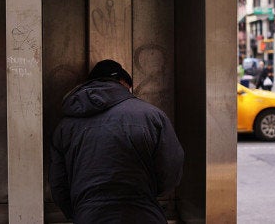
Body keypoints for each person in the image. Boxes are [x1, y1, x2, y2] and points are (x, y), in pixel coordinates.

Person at [49, 59, 184, 223]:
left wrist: (81, 211)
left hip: (89, 215)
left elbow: (58, 184)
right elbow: (171, 170)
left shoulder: (65, 127)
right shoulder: (152, 116)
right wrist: (147, 195)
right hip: (143, 213)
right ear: (123, 82)